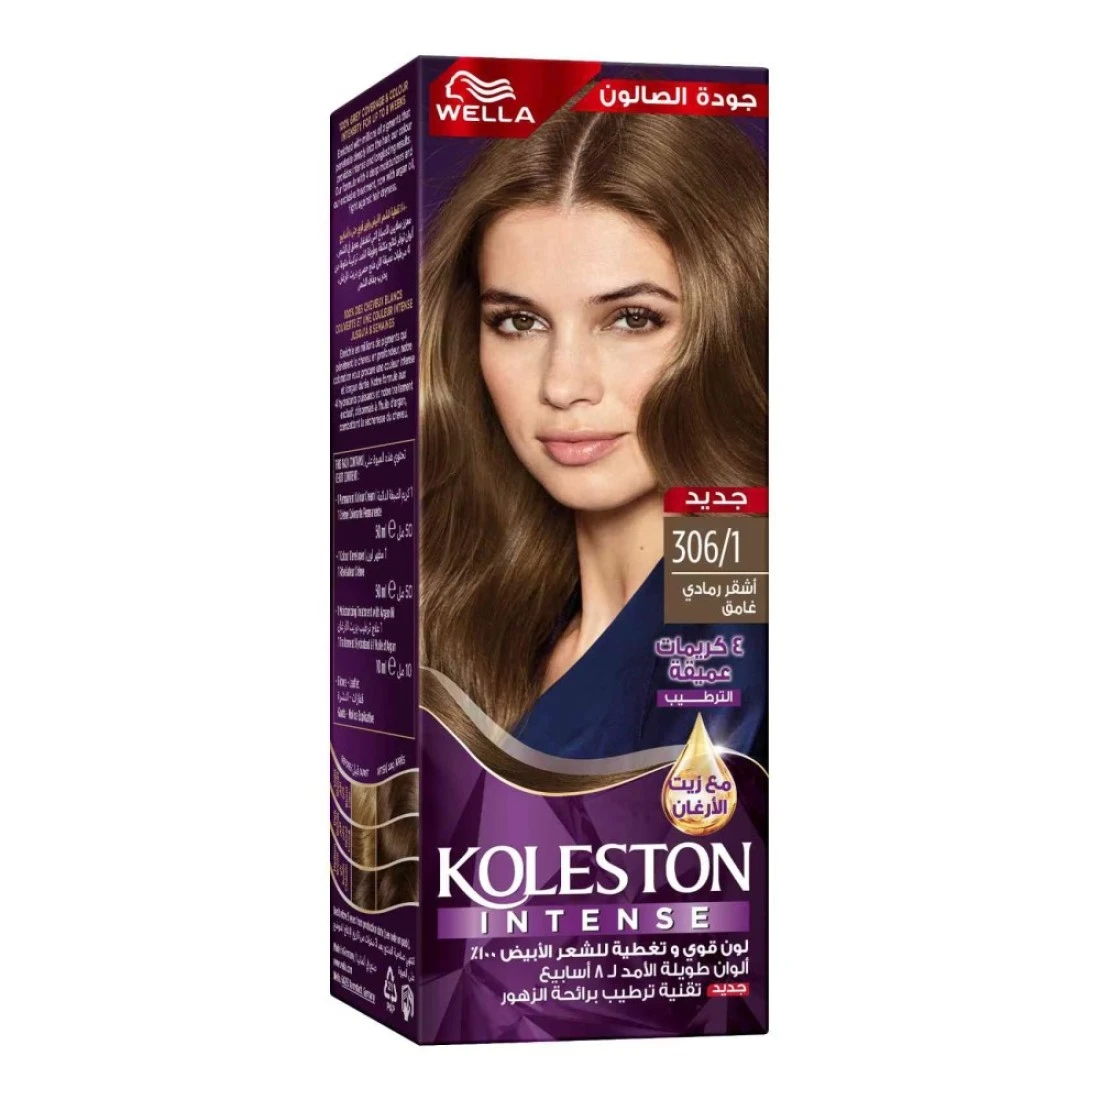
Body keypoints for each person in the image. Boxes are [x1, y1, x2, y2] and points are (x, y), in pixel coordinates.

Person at [419, 106, 767, 779]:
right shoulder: (461, 617)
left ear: (735, 323)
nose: (563, 385)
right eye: (519, 322)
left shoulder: (744, 642)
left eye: (632, 319)